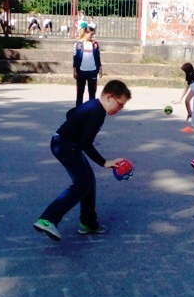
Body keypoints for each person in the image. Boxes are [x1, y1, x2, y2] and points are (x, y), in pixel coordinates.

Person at [33, 79, 132, 242]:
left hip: (66, 143)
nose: (120, 109)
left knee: (88, 182)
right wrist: (104, 162)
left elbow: (71, 113)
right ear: (109, 97)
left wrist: (75, 128)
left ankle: (88, 223)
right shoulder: (98, 112)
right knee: (82, 184)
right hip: (65, 145)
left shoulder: (92, 104)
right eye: (120, 104)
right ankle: (47, 219)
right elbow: (86, 143)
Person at [73, 24, 103, 106]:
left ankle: (91, 111)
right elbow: (75, 58)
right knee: (80, 93)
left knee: (92, 93)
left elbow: (98, 57)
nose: (93, 36)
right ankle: (78, 110)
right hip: (81, 71)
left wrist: (100, 69)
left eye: (93, 34)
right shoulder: (78, 44)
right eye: (91, 34)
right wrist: (74, 71)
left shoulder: (95, 44)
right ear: (86, 33)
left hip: (92, 71)